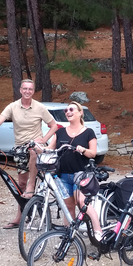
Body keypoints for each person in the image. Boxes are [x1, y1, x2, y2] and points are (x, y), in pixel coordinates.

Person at [0, 79, 58, 229]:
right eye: (25, 88)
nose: (27, 91)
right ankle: (19, 217)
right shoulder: (13, 107)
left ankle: (32, 186)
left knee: (33, 153)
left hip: (35, 147)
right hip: (19, 148)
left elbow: (54, 125)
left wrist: (43, 139)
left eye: (30, 89)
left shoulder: (39, 107)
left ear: (33, 91)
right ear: (20, 90)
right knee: (21, 184)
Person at [40, 101, 103, 238]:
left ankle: (98, 230)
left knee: (81, 202)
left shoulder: (88, 132)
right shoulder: (61, 131)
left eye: (71, 109)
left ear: (80, 113)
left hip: (81, 175)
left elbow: (93, 153)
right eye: (66, 110)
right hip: (63, 175)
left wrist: (83, 149)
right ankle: (68, 236)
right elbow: (50, 148)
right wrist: (38, 148)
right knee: (68, 207)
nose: (68, 112)